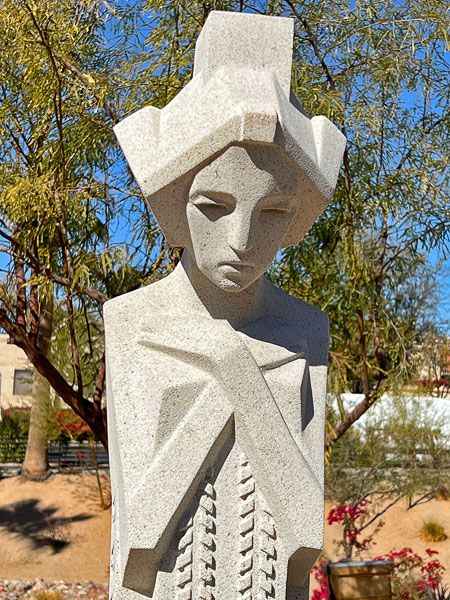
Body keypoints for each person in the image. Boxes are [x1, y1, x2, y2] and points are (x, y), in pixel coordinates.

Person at [105, 11, 346, 600]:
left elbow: (305, 530)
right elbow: (139, 535)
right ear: (174, 203)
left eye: (272, 213)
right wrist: (233, 371)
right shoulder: (132, 322)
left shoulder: (306, 329)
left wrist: (231, 366)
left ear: (294, 218)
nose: (241, 240)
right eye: (214, 206)